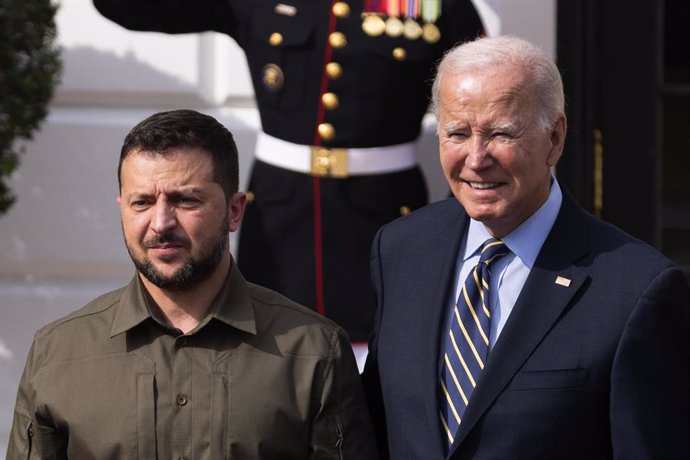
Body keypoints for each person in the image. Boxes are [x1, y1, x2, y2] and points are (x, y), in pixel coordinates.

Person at [361, 35, 690, 459]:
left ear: (554, 138)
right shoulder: (400, 250)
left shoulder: (636, 290)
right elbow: (374, 427)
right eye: (457, 133)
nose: (476, 159)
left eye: (501, 133)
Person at [92, 0, 485, 346]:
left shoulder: (436, 4)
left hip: (384, 218)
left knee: (384, 360)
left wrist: (457, 226)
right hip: (280, 223)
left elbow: (481, 110)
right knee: (271, 353)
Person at [6, 109, 378, 459]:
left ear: (234, 210)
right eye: (142, 203)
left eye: (185, 201)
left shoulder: (314, 351)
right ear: (121, 207)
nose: (161, 222)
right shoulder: (56, 353)